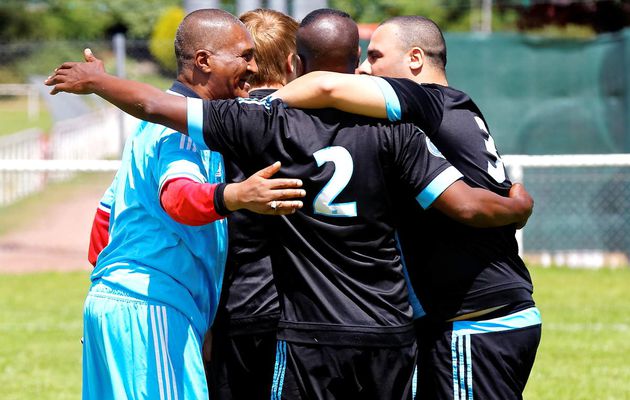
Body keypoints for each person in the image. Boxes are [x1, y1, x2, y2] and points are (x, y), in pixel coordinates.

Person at [45, 30, 533, 400]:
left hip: (300, 332)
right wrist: (518, 205)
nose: (369, 67)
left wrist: (100, 81)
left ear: (298, 63)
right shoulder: (401, 133)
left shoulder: (262, 122)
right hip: (388, 328)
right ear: (351, 68)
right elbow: (466, 205)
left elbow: (156, 107)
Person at [274, 15, 542, 400]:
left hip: (474, 320)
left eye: (377, 56)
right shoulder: (452, 108)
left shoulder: (428, 102)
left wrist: (256, 107)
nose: (365, 67)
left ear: (415, 59)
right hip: (488, 313)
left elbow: (327, 85)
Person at [78, 9, 305, 400]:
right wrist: (236, 195)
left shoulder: (159, 123)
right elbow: (177, 197)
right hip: (153, 308)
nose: (253, 67)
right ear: (204, 62)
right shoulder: (180, 131)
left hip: (123, 305)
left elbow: (103, 224)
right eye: (245, 56)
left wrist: (111, 306)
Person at [207, 8, 299, 400]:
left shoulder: (210, 123)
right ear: (295, 60)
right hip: (306, 309)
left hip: (232, 307)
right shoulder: (315, 121)